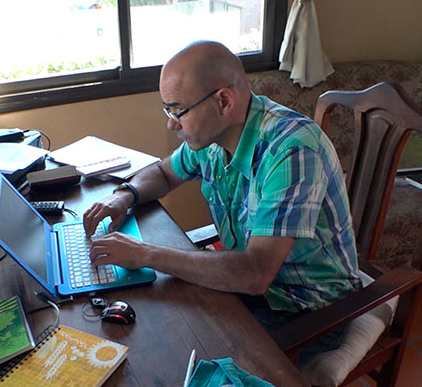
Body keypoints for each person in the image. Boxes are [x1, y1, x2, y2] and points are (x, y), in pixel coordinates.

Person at [83, 41, 362, 364]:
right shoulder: (214, 138)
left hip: (307, 309)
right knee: (154, 325)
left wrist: (146, 254)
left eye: (178, 110)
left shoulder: (292, 150)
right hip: (252, 289)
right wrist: (124, 195)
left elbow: (256, 273)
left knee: (172, 356)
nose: (171, 123)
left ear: (224, 101)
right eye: (168, 110)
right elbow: (163, 173)